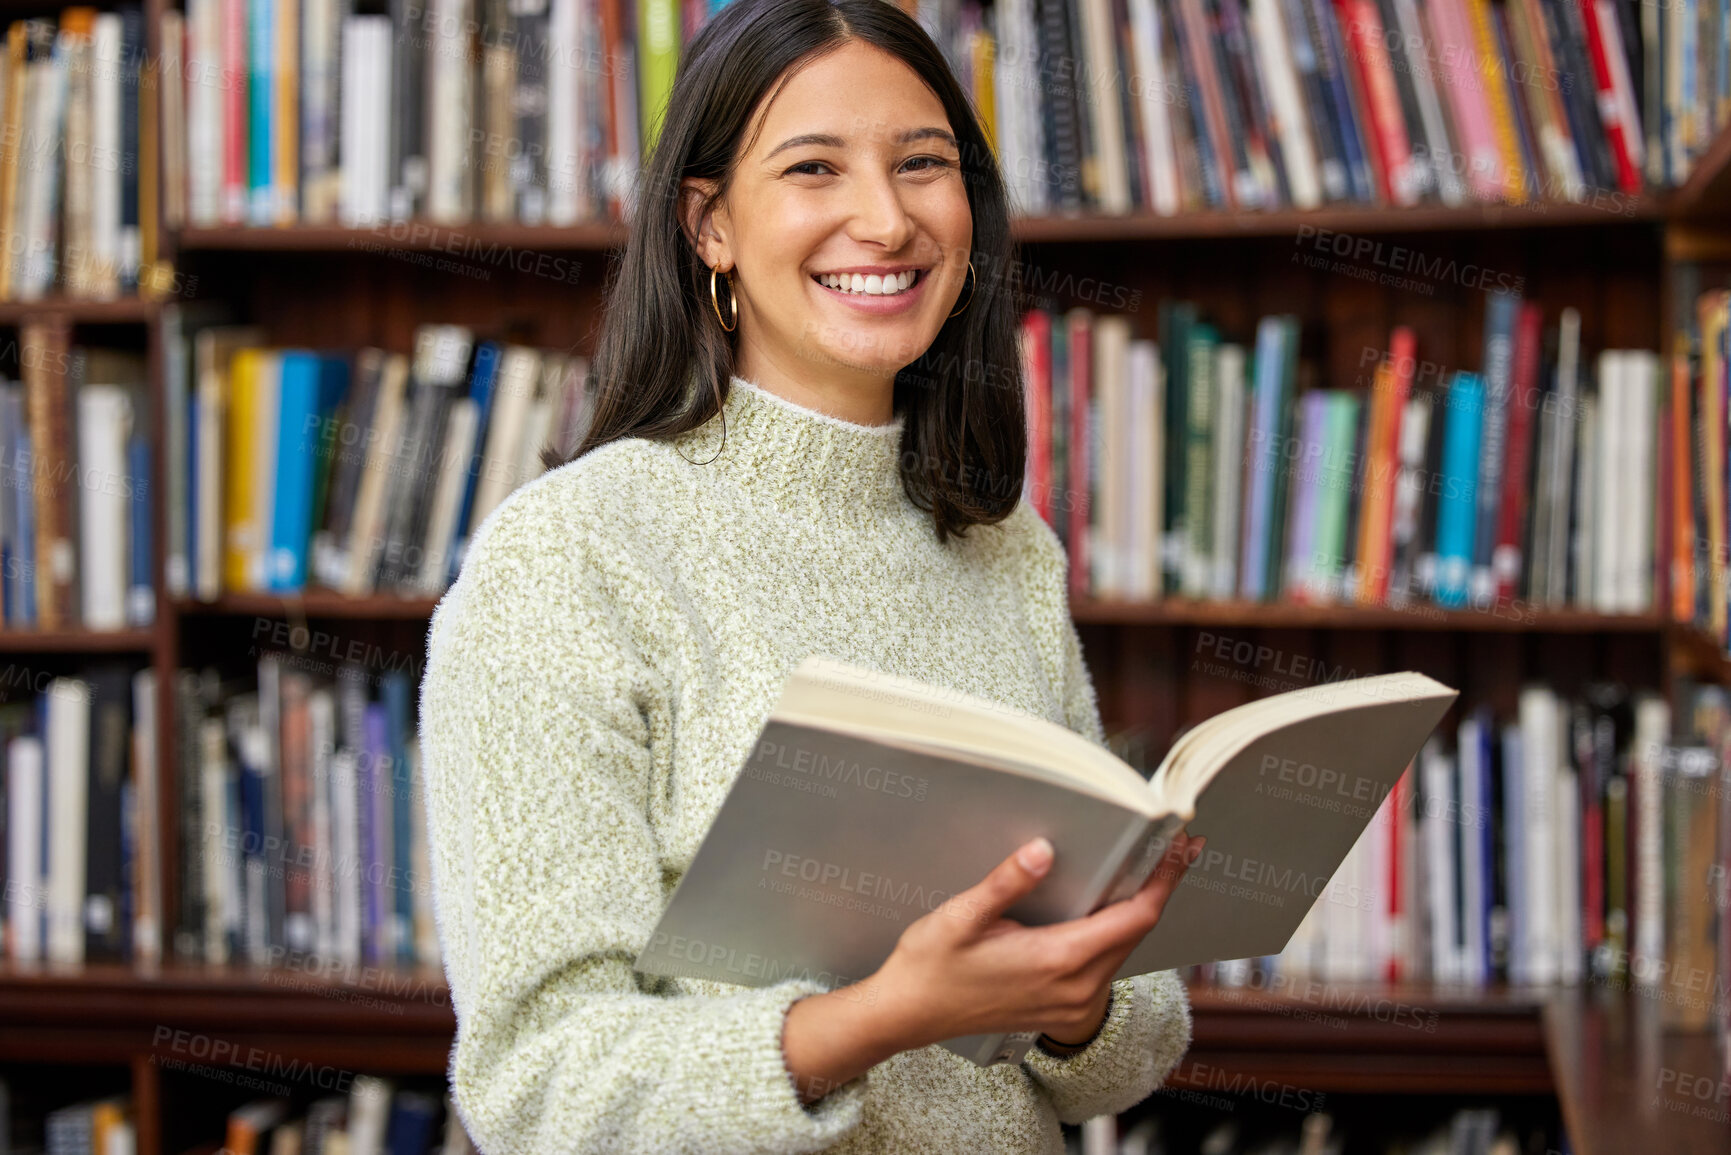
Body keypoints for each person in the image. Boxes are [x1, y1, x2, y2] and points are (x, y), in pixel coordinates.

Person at [418, 0, 1204, 1150]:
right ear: (710, 225)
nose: (884, 221)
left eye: (922, 165)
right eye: (814, 168)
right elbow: (540, 1087)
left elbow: (1124, 1057)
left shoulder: (1004, 547)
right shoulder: (572, 555)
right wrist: (875, 1020)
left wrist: (1082, 1008)